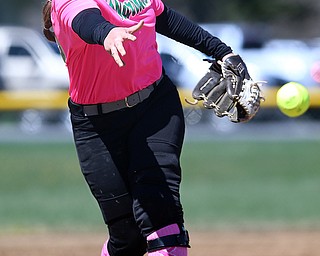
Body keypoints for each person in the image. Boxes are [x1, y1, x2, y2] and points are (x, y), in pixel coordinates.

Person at [42, 0, 239, 255]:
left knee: (160, 209)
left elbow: (168, 20)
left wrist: (223, 52)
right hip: (97, 127)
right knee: (127, 237)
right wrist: (108, 33)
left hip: (154, 109)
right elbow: (84, 20)